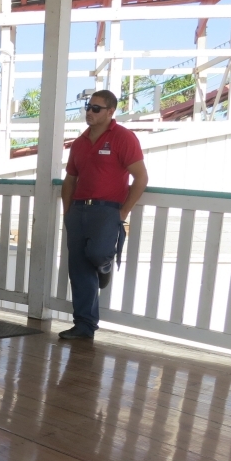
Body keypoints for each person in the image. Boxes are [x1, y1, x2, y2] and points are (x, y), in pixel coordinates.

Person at [59, 89, 149, 340]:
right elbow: (70, 180)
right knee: (78, 268)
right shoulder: (79, 142)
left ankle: (106, 264)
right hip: (78, 209)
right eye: (88, 107)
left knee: (97, 254)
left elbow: (140, 178)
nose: (89, 112)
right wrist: (68, 212)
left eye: (96, 108)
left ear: (111, 112)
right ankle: (84, 325)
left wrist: (122, 212)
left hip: (107, 210)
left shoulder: (123, 138)